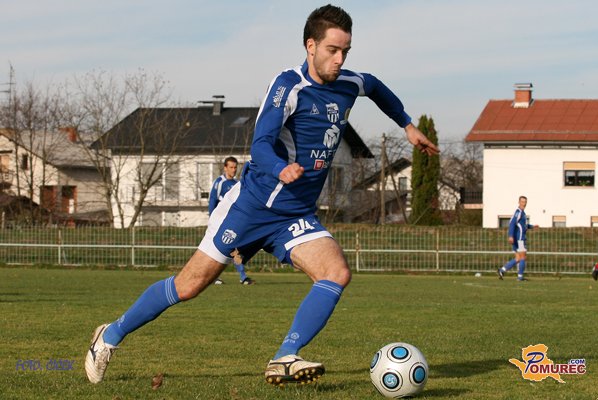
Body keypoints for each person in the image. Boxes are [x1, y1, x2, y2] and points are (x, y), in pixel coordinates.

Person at [85, 4, 439, 387]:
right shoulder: (288, 86)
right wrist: (279, 168)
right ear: (310, 46)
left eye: (345, 51)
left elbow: (376, 87)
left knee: (336, 272)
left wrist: (406, 124)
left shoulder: (349, 83)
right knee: (188, 286)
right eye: (332, 50)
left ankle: (285, 356)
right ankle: (109, 335)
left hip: (295, 214)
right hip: (251, 206)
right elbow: (261, 144)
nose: (340, 60)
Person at [208, 156, 254, 285]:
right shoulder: (219, 182)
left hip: (233, 222)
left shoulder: (236, 184)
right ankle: (217, 276)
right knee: (220, 249)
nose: (233, 170)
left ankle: (242, 277)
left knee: (234, 249)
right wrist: (212, 219)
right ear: (225, 168)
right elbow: (212, 201)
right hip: (220, 222)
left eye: (235, 167)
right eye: (231, 167)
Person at [497, 196, 538, 281]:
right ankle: (520, 277)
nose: (524, 203)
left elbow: (523, 226)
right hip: (519, 239)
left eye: (525, 202)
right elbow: (512, 223)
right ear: (519, 202)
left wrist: (532, 226)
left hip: (517, 239)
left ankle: (502, 270)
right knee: (523, 257)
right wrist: (510, 235)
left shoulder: (523, 213)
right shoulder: (518, 212)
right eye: (522, 202)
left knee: (518, 258)